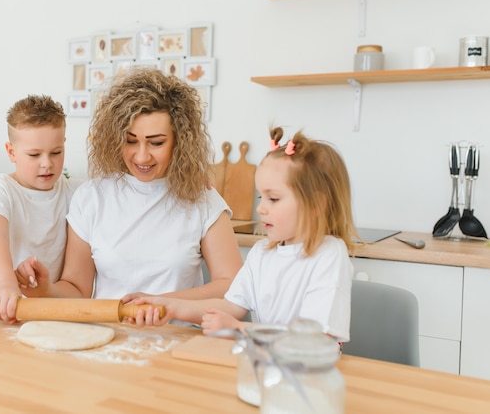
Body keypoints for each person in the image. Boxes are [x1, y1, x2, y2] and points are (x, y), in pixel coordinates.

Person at [15, 67, 243, 319]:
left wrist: (162, 303)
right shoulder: (92, 197)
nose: (142, 156)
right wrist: (45, 289)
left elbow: (232, 283)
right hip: (108, 339)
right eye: (131, 141)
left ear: (180, 141)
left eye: (156, 143)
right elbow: (77, 289)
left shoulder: (202, 199)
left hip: (178, 339)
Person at [134, 128, 356, 342]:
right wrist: (169, 306)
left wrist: (240, 329)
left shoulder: (329, 255)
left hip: (310, 375)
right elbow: (230, 306)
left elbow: (316, 338)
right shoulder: (261, 253)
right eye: (261, 198)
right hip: (267, 364)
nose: (260, 208)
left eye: (274, 199)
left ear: (316, 204)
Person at [0, 94, 83, 323]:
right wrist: (6, 285)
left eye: (56, 152)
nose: (47, 163)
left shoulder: (76, 193)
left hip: (43, 311)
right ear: (11, 152)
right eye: (34, 155)